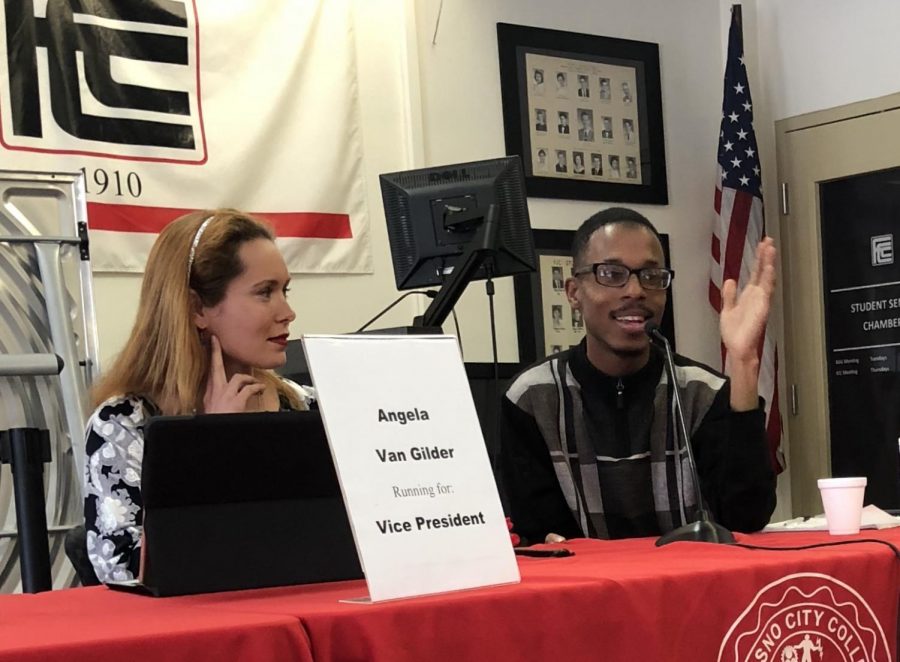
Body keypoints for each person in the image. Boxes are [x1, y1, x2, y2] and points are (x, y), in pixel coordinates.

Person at [499, 207, 777, 544]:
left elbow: (746, 518)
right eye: (612, 274)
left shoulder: (702, 393)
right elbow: (540, 534)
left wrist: (743, 360)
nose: (635, 291)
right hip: (587, 590)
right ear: (573, 292)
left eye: (651, 276)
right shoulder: (532, 398)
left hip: (689, 587)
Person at [83, 209, 313, 583]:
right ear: (196, 309)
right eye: (264, 292)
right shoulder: (123, 425)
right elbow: (124, 569)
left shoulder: (307, 407)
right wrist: (212, 449)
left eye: (284, 290)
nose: (287, 312)